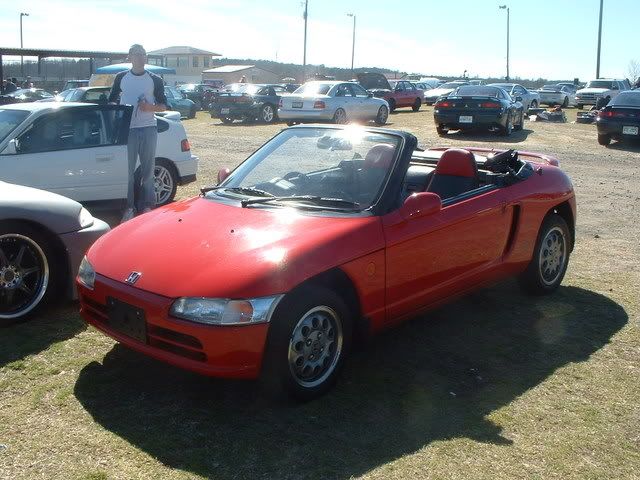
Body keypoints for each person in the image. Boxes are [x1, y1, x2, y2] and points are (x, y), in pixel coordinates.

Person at [108, 44, 167, 222]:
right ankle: (129, 208)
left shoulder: (155, 79)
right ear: (130, 57)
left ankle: (147, 206)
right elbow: (111, 101)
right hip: (128, 130)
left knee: (148, 171)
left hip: (149, 128)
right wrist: (118, 111)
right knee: (127, 172)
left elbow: (164, 105)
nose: (141, 57)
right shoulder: (121, 78)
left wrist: (149, 107)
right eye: (137, 54)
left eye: (143, 54)